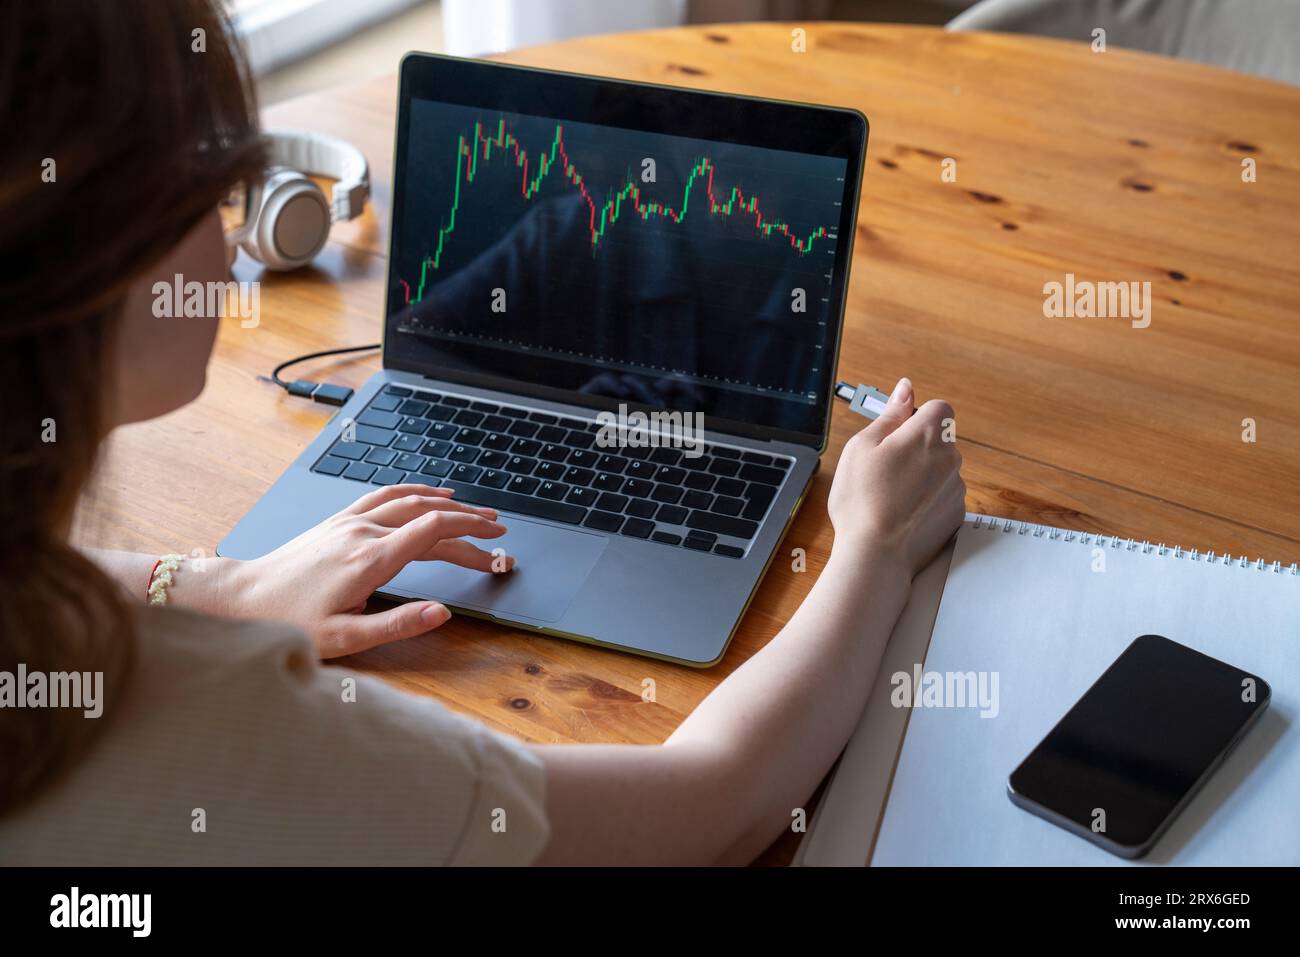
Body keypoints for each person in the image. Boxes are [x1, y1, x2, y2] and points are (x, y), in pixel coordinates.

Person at [0, 0, 964, 865]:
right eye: (216, 184)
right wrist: (872, 551)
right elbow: (714, 806)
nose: (232, 227)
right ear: (97, 254)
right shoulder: (232, 733)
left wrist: (221, 586)